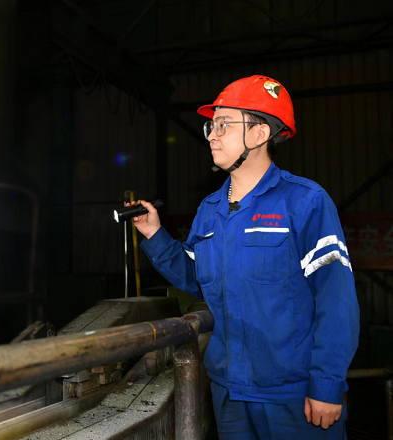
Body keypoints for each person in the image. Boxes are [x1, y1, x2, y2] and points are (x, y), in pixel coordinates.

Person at [131, 76, 359, 439]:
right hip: (229, 396)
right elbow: (197, 279)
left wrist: (327, 385)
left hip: (295, 396)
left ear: (260, 134)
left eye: (224, 124)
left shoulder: (305, 202)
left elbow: (336, 301)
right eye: (211, 126)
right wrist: (154, 235)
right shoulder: (210, 210)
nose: (212, 135)